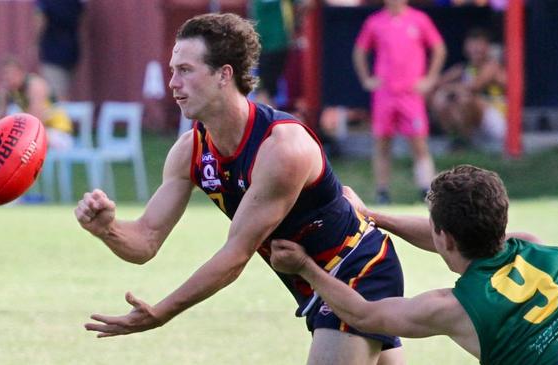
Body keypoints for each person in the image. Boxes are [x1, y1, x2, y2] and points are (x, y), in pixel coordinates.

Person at [76, 13, 406, 365]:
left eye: (185, 70)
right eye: (172, 70)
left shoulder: (281, 148)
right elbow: (145, 241)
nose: (173, 83)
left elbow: (235, 257)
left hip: (359, 268)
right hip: (313, 283)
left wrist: (162, 312)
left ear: (224, 74)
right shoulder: (190, 151)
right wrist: (107, 229)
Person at [270, 165, 558, 364]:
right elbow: (455, 237)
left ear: (447, 239)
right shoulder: (532, 245)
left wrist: (304, 267)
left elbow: (362, 315)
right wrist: (372, 218)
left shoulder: (453, 308)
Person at [353, 0, 446, 204]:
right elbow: (359, 51)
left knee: (419, 142)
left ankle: (426, 189)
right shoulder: (375, 22)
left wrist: (429, 80)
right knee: (382, 142)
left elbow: (439, 48)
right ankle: (382, 191)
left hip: (410, 93)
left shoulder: (419, 19)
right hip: (385, 93)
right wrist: (367, 79)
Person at [430, 28, 506, 150]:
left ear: (487, 47)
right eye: (472, 45)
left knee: (466, 98)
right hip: (477, 125)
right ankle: (457, 139)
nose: (475, 49)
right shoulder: (463, 68)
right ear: (466, 47)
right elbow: (435, 83)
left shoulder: (492, 66)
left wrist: (449, 89)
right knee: (440, 98)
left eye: (479, 45)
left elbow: (473, 86)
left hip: (498, 122)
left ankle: (465, 140)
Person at [0, 56, 73, 150]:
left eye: (9, 74)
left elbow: (36, 121)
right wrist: (3, 97)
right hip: (42, 131)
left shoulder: (35, 86)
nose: (6, 78)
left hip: (59, 132)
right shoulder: (12, 90)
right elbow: (0, 120)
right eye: (4, 74)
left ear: (20, 72)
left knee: (20, 142)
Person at [34, 0, 87, 101]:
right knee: (63, 90)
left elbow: (40, 19)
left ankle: (62, 115)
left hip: (52, 50)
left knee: (56, 94)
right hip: (72, 49)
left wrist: (36, 43)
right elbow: (82, 17)